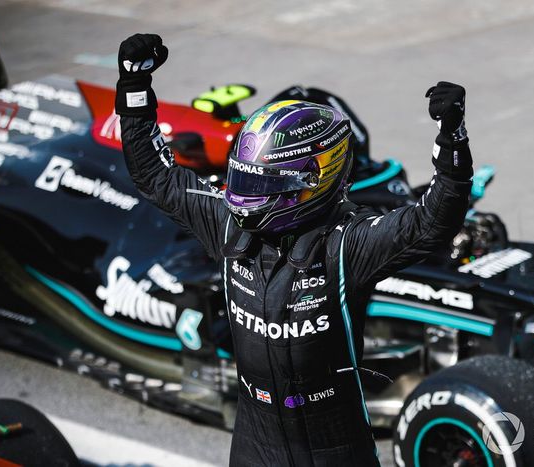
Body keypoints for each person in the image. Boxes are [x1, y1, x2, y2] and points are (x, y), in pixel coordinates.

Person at [115, 33, 473, 467]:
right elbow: (156, 176)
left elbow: (433, 222)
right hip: (254, 446)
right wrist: (134, 89)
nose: (244, 197)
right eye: (244, 179)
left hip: (336, 452)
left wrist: (452, 140)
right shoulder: (227, 225)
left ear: (310, 183)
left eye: (261, 184)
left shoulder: (347, 244)